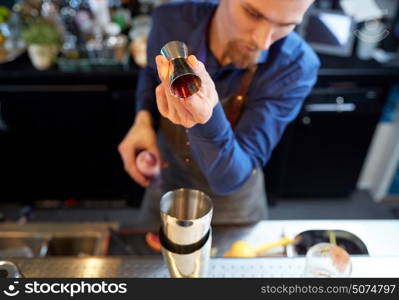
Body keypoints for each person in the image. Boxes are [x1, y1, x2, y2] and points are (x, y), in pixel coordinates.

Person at [118, 0, 320, 225]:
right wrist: (143, 120)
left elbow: (228, 180)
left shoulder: (295, 65)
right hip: (167, 180)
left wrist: (208, 117)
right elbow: (150, 72)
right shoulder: (171, 19)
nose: (262, 41)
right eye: (252, 13)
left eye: (286, 24)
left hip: (230, 206)